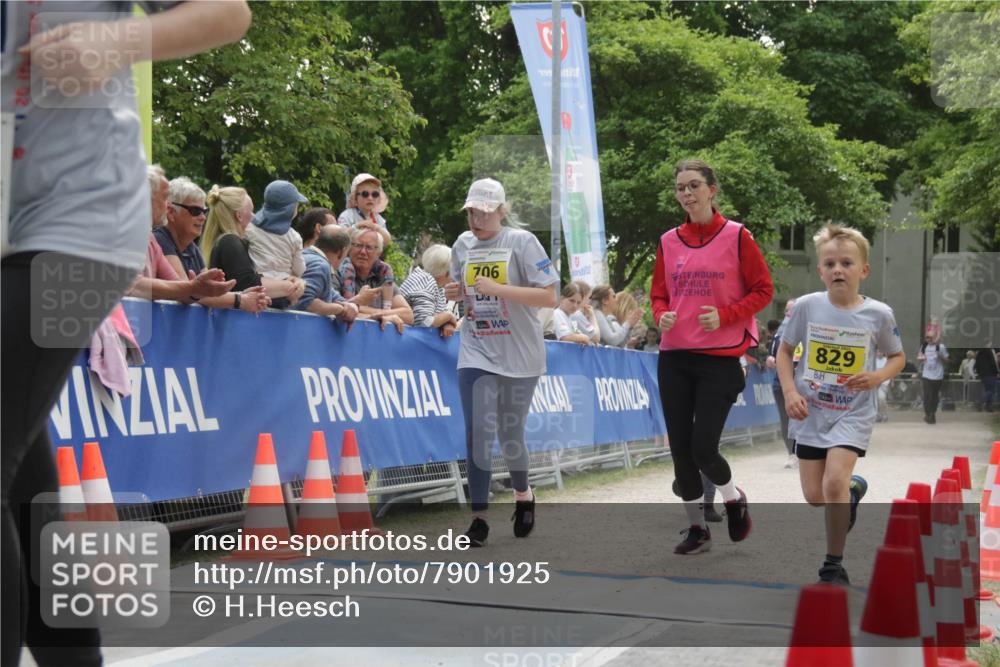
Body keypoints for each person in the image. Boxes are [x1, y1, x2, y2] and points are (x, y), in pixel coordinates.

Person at [1, 3, 251, 665]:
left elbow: (229, 12)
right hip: (8, 230)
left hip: (80, 229)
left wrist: (115, 41)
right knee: (24, 485)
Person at [650, 158, 773, 555]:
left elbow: (763, 290)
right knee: (680, 451)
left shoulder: (738, 236)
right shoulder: (668, 241)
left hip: (720, 358)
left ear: (712, 190)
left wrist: (725, 315)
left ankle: (733, 498)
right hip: (675, 356)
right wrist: (660, 315)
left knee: (703, 448)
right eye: (680, 187)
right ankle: (697, 528)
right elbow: (658, 294)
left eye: (694, 185)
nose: (687, 193)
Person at [777, 223, 905, 585]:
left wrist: (877, 376)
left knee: (834, 482)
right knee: (815, 496)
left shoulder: (879, 314)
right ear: (820, 270)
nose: (838, 270)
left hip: (853, 412)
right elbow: (785, 352)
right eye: (830, 264)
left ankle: (833, 565)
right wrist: (790, 392)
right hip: (811, 411)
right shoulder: (806, 307)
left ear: (864, 269)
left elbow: (897, 357)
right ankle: (852, 492)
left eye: (846, 263)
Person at [443, 178, 559, 546]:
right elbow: (462, 293)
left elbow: (550, 297)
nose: (476, 220)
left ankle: (523, 495)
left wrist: (499, 290)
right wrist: (455, 292)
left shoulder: (522, 242)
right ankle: (478, 519)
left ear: (502, 211)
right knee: (478, 432)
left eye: (484, 212)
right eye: (471, 212)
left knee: (510, 435)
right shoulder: (462, 245)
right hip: (476, 349)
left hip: (519, 353)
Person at [201, 185, 302, 308]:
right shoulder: (230, 241)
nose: (254, 216)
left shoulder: (225, 241)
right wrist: (290, 286)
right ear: (239, 216)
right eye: (251, 211)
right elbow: (248, 283)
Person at [246, 179, 306, 288]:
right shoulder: (294, 237)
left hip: (256, 285)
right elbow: (299, 270)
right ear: (290, 209)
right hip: (283, 288)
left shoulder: (249, 228)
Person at [295, 223, 359, 323]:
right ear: (341, 252)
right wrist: (340, 309)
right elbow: (305, 302)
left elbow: (331, 293)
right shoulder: (320, 265)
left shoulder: (305, 255)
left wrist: (350, 305)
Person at [155, 176, 211, 277]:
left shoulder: (190, 247)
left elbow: (210, 285)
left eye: (204, 211)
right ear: (171, 212)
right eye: (195, 211)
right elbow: (182, 284)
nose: (203, 217)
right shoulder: (160, 240)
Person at [399, 244, 458, 337]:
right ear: (447, 273)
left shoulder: (437, 286)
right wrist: (449, 316)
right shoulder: (426, 282)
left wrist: (446, 323)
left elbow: (439, 316)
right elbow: (424, 323)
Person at [767, 299, 797, 468]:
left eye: (791, 310)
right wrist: (770, 359)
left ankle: (808, 452)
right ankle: (792, 454)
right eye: (786, 310)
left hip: (803, 384)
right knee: (786, 419)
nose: (787, 314)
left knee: (805, 419)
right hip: (781, 384)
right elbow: (771, 355)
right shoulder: (778, 335)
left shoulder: (809, 332)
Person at [339, 173, 392, 248]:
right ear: (355, 198)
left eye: (375, 194)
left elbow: (387, 242)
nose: (370, 198)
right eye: (365, 194)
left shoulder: (378, 218)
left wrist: (376, 227)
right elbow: (340, 238)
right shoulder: (347, 215)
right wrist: (357, 226)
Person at [917, 332, 948, 424]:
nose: (929, 339)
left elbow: (947, 360)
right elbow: (919, 356)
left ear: (935, 338)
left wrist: (940, 356)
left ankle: (932, 413)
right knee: (927, 396)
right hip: (927, 375)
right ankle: (928, 414)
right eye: (927, 338)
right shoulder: (924, 346)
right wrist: (921, 358)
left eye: (931, 337)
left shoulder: (941, 347)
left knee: (934, 396)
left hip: (938, 376)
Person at [976, 340, 1000, 412]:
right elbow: (993, 363)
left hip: (983, 374)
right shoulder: (990, 351)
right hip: (991, 374)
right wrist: (997, 372)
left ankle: (988, 407)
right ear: (989, 343)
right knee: (991, 391)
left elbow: (977, 364)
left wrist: (979, 373)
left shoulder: (979, 352)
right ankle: (981, 402)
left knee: (988, 390)